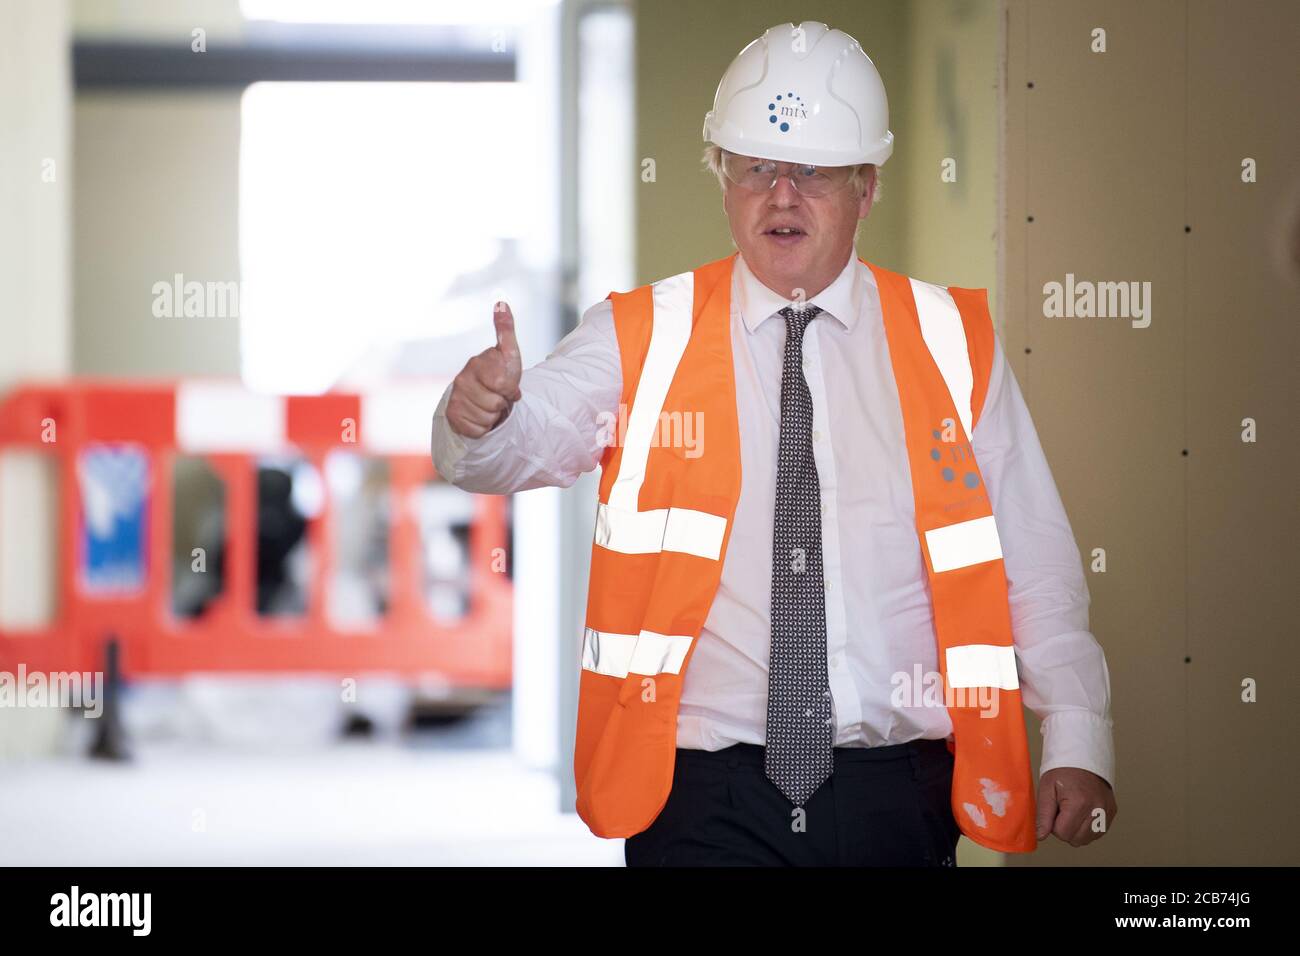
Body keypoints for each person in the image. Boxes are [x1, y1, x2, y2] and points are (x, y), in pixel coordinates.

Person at [431, 20, 1116, 866]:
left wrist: (1080, 735)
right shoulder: (643, 333)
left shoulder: (949, 341)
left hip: (896, 791)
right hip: (701, 794)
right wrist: (481, 416)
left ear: (866, 188)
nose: (781, 195)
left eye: (814, 173)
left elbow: (1034, 556)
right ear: (723, 180)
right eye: (756, 168)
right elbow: (511, 452)